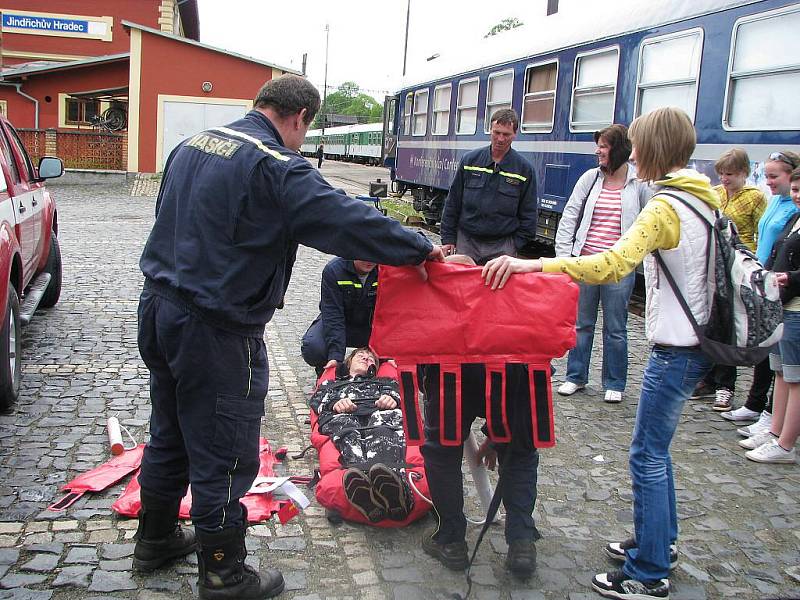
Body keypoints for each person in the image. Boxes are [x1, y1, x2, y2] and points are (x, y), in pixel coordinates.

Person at [134, 74, 444, 600]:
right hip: (216, 328)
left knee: (170, 431)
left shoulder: (192, 146)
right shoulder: (275, 166)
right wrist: (419, 248)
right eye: (306, 129)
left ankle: (156, 535)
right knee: (224, 450)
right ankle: (224, 571)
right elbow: (344, 219)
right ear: (299, 118)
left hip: (159, 309)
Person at [483, 107, 718, 600]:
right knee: (660, 452)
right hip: (697, 343)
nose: (631, 154)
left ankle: (649, 571)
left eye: (636, 145)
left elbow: (613, 263)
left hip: (675, 347)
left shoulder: (664, 206)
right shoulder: (705, 196)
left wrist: (537, 267)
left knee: (646, 455)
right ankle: (661, 540)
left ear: (650, 148)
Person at [420, 255, 540, 580]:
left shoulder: (435, 304)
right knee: (521, 451)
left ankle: (452, 540)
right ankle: (522, 541)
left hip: (448, 368)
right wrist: (499, 436)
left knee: (442, 453)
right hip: (508, 362)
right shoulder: (511, 307)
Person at [554, 124, 650, 403]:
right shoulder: (590, 179)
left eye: (604, 146)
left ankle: (615, 382)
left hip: (619, 267)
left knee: (616, 327)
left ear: (619, 150)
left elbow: (647, 221)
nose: (598, 151)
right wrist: (565, 258)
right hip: (586, 261)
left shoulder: (638, 184)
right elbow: (570, 214)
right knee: (582, 323)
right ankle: (575, 376)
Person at [714, 151, 800, 430]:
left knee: (783, 362)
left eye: (774, 177)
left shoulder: (784, 207)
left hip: (782, 289)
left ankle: (769, 415)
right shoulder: (776, 202)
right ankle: (757, 406)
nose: (768, 181)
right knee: (769, 355)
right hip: (764, 280)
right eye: (767, 176)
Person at [691, 148, 767, 412]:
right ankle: (708, 380)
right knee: (712, 325)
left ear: (744, 173)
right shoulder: (716, 193)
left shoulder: (755, 198)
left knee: (730, 327)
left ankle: (726, 386)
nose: (724, 178)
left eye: (730, 174)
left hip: (738, 268)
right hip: (715, 266)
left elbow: (760, 233)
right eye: (722, 173)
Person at [309, 347, 413, 521]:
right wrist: (335, 403)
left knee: (382, 426)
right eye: (361, 355)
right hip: (345, 417)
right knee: (347, 431)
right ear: (349, 362)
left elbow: (402, 394)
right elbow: (317, 400)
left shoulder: (385, 382)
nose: (366, 358)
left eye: (371, 358)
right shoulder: (331, 384)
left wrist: (392, 398)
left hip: (378, 413)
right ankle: (365, 484)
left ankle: (391, 485)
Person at [741, 167, 800, 464]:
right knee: (781, 371)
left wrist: (788, 278)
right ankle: (774, 430)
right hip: (784, 304)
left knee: (794, 377)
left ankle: (785, 443)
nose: (797, 196)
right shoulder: (794, 219)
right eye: (796, 189)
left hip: (796, 308)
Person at [439, 108, 537, 263]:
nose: (500, 139)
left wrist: (514, 245)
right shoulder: (470, 161)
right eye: (496, 132)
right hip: (467, 242)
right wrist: (448, 238)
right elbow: (453, 203)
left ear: (515, 134)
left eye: (506, 134)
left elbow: (529, 214)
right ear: (490, 130)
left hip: (502, 247)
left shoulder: (524, 170)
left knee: (496, 288)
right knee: (463, 287)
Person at [301, 258, 378, 376]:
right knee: (313, 347)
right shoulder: (334, 270)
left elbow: (390, 315)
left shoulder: (385, 270)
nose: (369, 259)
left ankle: (378, 373)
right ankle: (325, 372)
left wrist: (388, 353)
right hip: (342, 323)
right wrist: (335, 356)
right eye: (363, 253)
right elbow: (333, 315)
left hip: (371, 327)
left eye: (374, 253)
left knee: (395, 350)